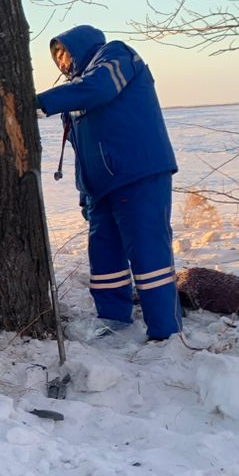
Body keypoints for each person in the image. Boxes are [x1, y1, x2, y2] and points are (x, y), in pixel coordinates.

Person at [35, 25, 182, 340]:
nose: (62, 62)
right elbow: (81, 148)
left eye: (65, 52)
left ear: (79, 45)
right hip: (100, 188)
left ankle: (166, 332)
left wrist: (36, 101)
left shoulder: (115, 55)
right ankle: (113, 322)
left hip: (137, 174)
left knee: (148, 254)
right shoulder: (75, 88)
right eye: (56, 57)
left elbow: (99, 88)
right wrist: (84, 195)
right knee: (104, 259)